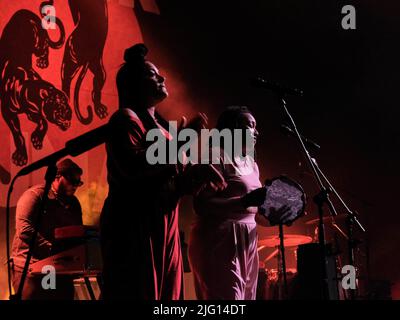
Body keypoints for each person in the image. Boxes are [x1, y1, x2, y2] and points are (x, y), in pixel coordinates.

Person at [100, 43, 225, 300]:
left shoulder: (162, 129)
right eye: (151, 74)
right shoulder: (125, 120)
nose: (161, 77)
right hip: (134, 226)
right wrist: (181, 142)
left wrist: (196, 176)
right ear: (134, 85)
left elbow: (170, 184)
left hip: (164, 224)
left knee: (168, 297)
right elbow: (133, 168)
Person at [188, 106, 286, 300]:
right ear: (232, 129)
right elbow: (201, 205)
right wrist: (244, 201)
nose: (256, 132)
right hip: (220, 239)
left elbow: (254, 213)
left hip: (247, 242)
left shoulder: (252, 164)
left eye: (256, 126)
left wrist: (279, 215)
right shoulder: (215, 156)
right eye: (250, 125)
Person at [11, 158, 84, 300]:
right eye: (72, 180)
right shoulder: (35, 196)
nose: (75, 186)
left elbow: (77, 232)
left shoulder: (74, 204)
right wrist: (52, 249)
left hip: (58, 268)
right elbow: (24, 229)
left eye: (78, 182)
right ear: (57, 177)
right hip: (30, 267)